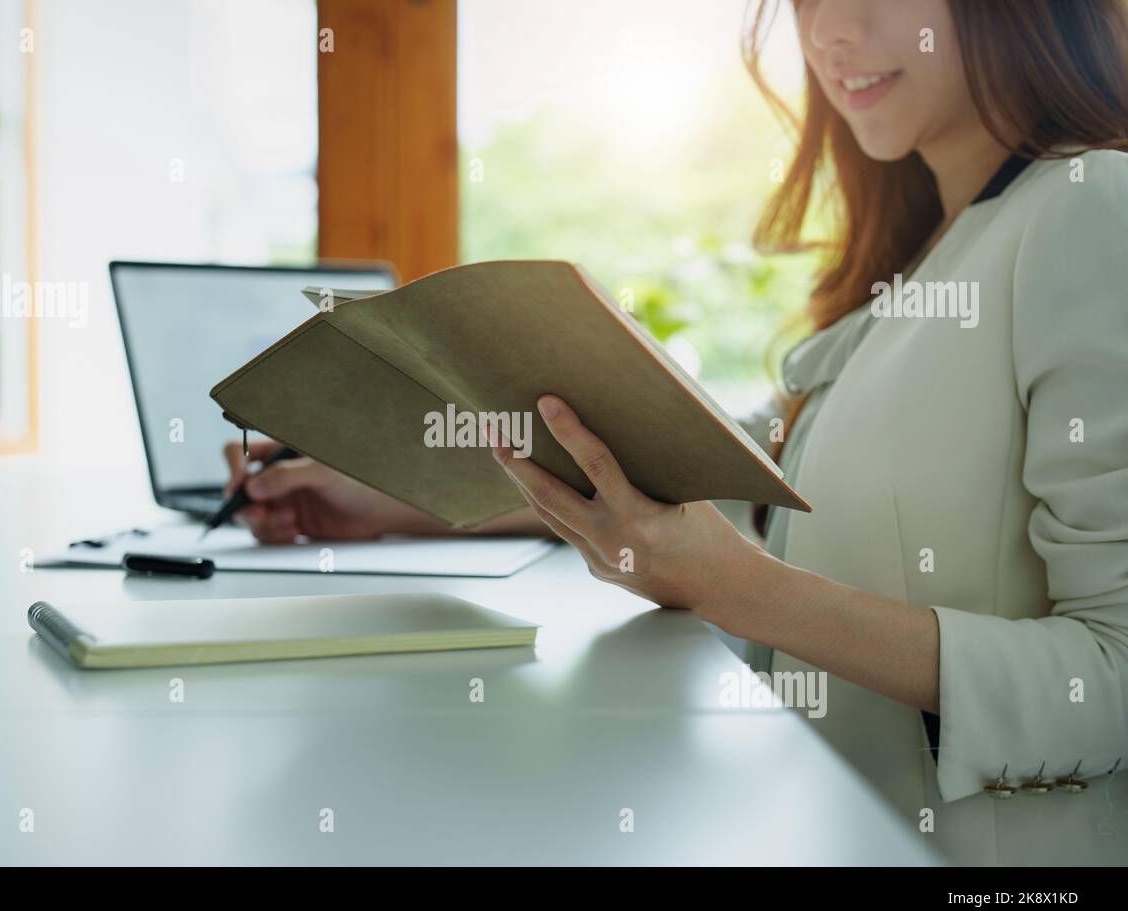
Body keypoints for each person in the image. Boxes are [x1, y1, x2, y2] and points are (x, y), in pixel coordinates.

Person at [224, 0, 1128, 866]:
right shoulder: (930, 247)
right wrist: (385, 497)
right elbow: (733, 473)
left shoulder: (1092, 205)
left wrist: (739, 589)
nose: (831, 32)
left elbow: (1113, 679)